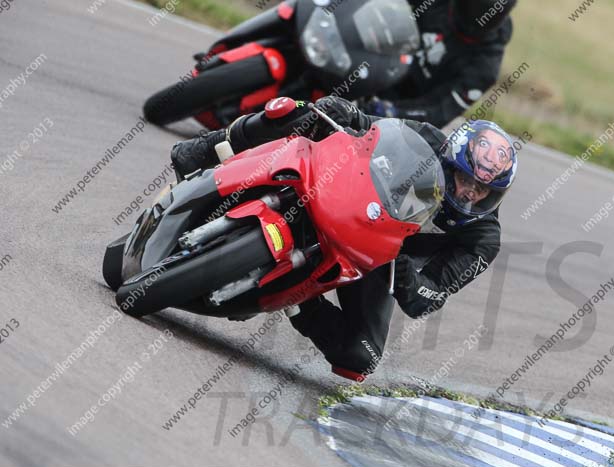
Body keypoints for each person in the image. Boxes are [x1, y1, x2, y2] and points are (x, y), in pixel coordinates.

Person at [171, 95, 518, 380]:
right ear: (449, 158)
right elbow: (370, 129)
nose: (469, 193)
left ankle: (296, 299)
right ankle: (212, 147)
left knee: (360, 356)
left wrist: (404, 266)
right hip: (350, 197)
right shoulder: (426, 139)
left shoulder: (482, 239)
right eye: (463, 178)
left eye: (483, 190)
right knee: (307, 111)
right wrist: (348, 112)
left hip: (379, 259)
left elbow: (428, 297)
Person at [363, 0, 517, 126]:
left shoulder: (485, 67)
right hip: (368, 66)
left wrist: (392, 111)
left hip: (394, 112)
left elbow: (439, 111)